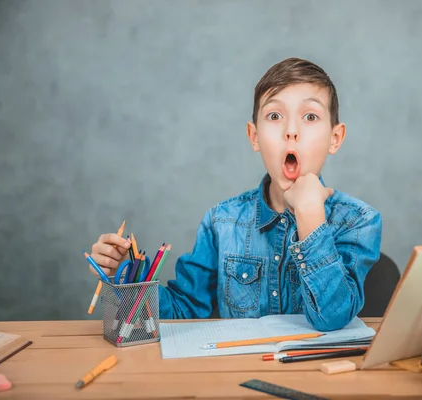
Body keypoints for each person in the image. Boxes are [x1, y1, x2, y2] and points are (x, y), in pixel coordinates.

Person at [89, 57, 382, 331]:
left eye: (310, 116)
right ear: (254, 136)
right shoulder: (221, 222)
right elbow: (181, 311)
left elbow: (333, 317)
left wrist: (311, 220)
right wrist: (126, 278)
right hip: (238, 379)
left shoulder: (359, 221)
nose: (291, 131)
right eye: (275, 115)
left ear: (335, 138)